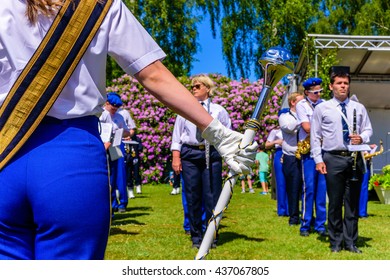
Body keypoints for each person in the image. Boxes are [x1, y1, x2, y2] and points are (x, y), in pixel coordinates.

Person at [0, 0, 257, 260]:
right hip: (70, 153)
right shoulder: (100, 5)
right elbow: (152, 75)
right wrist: (217, 131)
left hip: (5, 148)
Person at [311, 67, 373, 253]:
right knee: (335, 202)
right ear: (331, 86)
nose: (343, 86)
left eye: (346, 83)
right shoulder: (322, 108)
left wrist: (361, 138)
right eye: (339, 83)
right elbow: (315, 136)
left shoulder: (358, 107)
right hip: (333, 157)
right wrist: (318, 160)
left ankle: (351, 241)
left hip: (355, 158)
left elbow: (368, 129)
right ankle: (336, 241)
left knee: (352, 203)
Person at [171, 74, 233, 249]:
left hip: (211, 153)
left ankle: (211, 235)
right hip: (190, 153)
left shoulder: (219, 110)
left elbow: (227, 134)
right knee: (192, 195)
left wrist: (229, 156)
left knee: (212, 195)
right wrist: (176, 157)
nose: (194, 89)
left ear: (207, 88)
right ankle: (196, 236)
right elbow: (177, 136)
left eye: (197, 86)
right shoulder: (184, 109)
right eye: (192, 87)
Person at [295, 77, 327, 237]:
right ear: (307, 92)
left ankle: (321, 225)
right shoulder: (301, 105)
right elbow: (306, 127)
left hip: (323, 149)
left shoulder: (325, 104)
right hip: (308, 152)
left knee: (322, 190)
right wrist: (324, 128)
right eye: (316, 92)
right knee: (309, 188)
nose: (319, 94)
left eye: (320, 91)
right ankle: (305, 224)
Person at [100, 94, 131, 213]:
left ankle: (118, 204)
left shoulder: (119, 117)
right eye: (113, 107)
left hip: (115, 146)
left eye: (117, 108)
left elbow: (127, 132)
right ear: (107, 103)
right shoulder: (102, 114)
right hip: (104, 146)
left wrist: (120, 132)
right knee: (107, 177)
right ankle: (110, 205)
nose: (115, 110)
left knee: (116, 176)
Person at [278, 92, 304, 226]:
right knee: (293, 188)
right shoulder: (284, 116)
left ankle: (307, 217)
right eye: (301, 101)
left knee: (307, 188)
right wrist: (303, 118)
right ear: (293, 102)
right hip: (291, 157)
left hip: (306, 154)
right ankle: (294, 217)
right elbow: (289, 128)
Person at [266, 125, 288, 216]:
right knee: (281, 182)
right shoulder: (275, 131)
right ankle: (282, 209)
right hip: (280, 152)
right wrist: (276, 141)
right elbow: (266, 145)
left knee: (292, 182)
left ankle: (291, 209)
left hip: (293, 152)